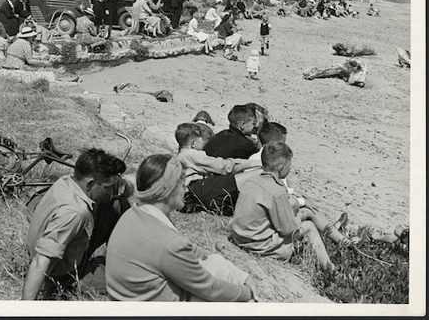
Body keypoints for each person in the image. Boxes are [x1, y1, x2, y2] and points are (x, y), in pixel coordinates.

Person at [106, 154, 259, 302]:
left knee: (216, 262)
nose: (186, 190)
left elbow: (190, 251)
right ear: (168, 191)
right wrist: (246, 293)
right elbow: (209, 288)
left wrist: (241, 275)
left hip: (130, 302)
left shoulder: (136, 213)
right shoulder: (168, 243)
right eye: (182, 184)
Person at [23, 148, 131, 300]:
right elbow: (40, 262)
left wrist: (123, 187)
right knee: (135, 280)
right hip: (65, 275)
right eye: (107, 187)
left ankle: (124, 256)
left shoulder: (68, 181)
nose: (111, 191)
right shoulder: (75, 213)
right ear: (91, 183)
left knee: (117, 203)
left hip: (69, 247)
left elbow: (119, 193)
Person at [230, 142, 352, 273]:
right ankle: (331, 270)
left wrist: (298, 215)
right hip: (259, 246)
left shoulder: (251, 181)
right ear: (281, 167)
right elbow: (288, 230)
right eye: (289, 165)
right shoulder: (276, 191)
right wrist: (298, 219)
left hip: (240, 236)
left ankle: (343, 241)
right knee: (309, 226)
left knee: (304, 212)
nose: (290, 168)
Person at [176, 123, 260, 215]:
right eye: (201, 138)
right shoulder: (193, 155)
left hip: (189, 196)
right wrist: (256, 163)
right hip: (197, 191)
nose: (204, 141)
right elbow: (224, 167)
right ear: (193, 143)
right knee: (238, 179)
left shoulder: (179, 157)